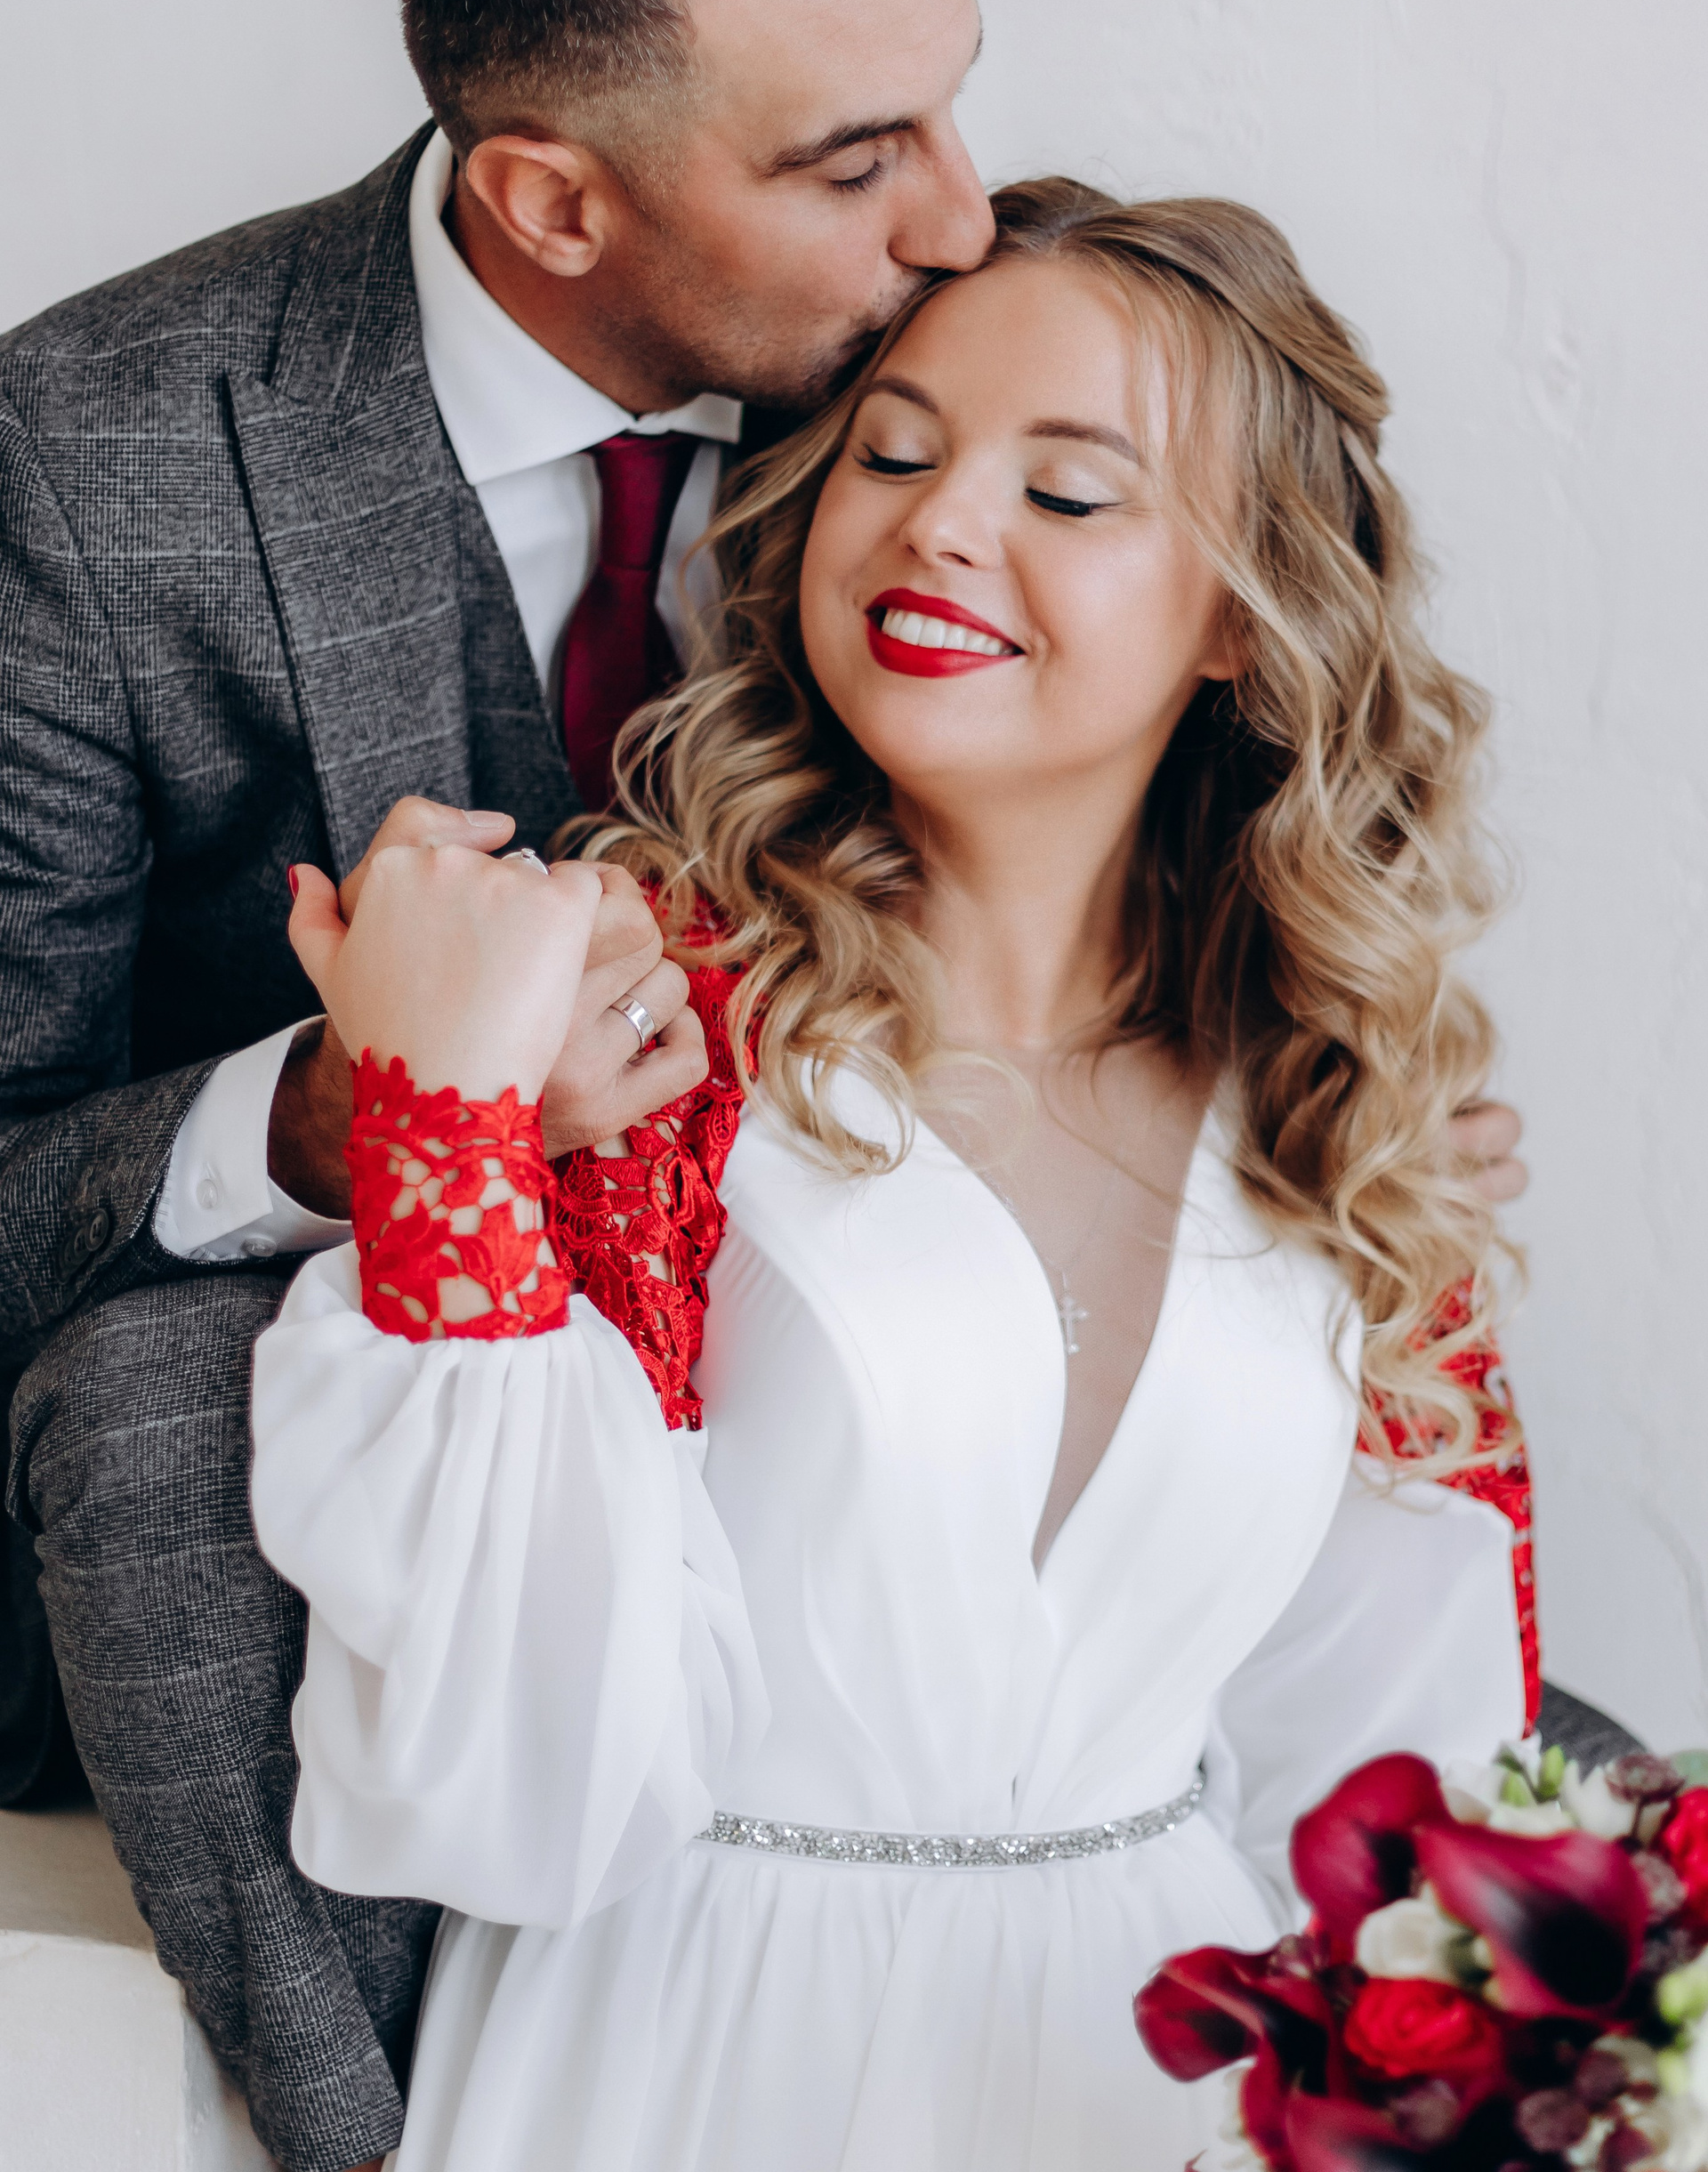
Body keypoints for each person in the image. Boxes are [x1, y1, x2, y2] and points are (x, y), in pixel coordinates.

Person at [255, 180, 1534, 2171]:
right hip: (686, 2068)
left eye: (1069, 490)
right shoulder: (642, 1028)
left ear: (1243, 615)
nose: (939, 524)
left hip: (1168, 2081)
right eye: (896, 452)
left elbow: (1395, 1783)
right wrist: (445, 1122)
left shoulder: (1339, 1106)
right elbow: (497, 1788)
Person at [0, 0, 1001, 2172]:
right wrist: (346, 1117)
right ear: (552, 201)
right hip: (295, 1467)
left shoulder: (963, 380)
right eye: (854, 160)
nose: (962, 223)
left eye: (953, 105)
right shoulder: (86, 461)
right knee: (144, 1414)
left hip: (845, 1365)